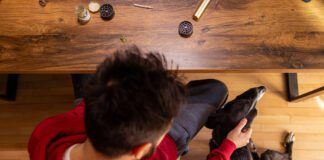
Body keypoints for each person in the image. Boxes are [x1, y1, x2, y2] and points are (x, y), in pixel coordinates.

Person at [28, 46, 252, 160]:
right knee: (218, 89)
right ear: (142, 149)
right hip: (171, 144)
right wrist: (228, 146)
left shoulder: (44, 134)